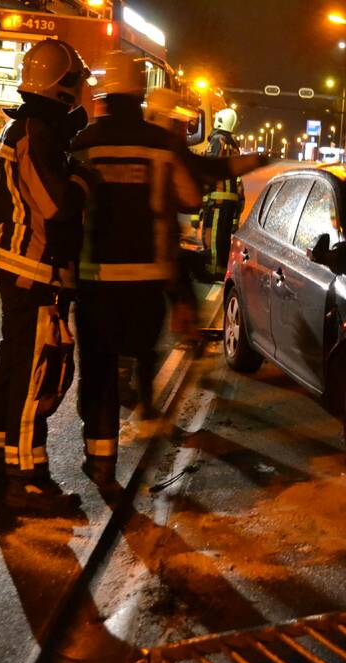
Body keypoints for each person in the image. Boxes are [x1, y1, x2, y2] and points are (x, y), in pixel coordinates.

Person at [70, 52, 204, 483]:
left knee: (98, 366)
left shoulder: (83, 141)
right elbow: (190, 198)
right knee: (144, 350)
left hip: (94, 276)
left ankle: (99, 457)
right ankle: (140, 414)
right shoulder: (160, 144)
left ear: (104, 94)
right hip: (147, 276)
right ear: (141, 93)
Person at [0, 38, 91, 511]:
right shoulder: (38, 132)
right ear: (64, 85)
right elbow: (56, 204)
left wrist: (11, 230)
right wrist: (83, 179)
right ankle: (26, 479)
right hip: (36, 273)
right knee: (34, 376)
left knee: (13, 366)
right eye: (78, 82)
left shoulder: (21, 128)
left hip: (19, 265)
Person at [200, 108, 245, 279]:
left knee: (212, 237)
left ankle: (211, 271)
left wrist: (202, 196)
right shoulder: (234, 146)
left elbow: (209, 169)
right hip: (230, 200)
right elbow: (238, 179)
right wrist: (237, 208)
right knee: (223, 238)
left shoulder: (217, 140)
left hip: (217, 199)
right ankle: (220, 271)